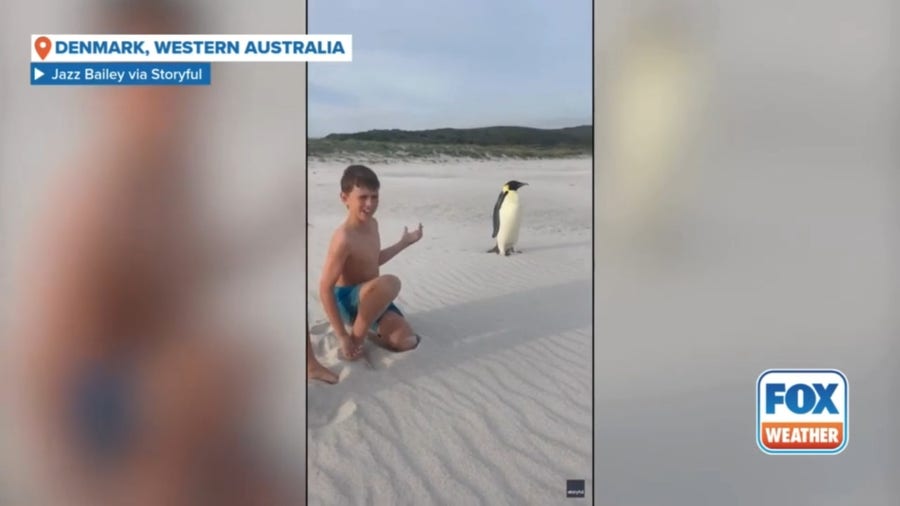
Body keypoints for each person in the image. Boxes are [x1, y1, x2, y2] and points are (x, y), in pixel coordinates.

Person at [318, 164, 423, 361]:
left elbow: (373, 261)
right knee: (391, 282)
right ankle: (356, 338)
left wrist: (404, 243)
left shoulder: (372, 224)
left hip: (371, 297)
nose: (370, 204)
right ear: (344, 198)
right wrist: (342, 336)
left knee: (406, 341)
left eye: (374, 197)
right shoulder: (343, 237)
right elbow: (324, 288)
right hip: (348, 299)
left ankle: (368, 330)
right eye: (363, 197)